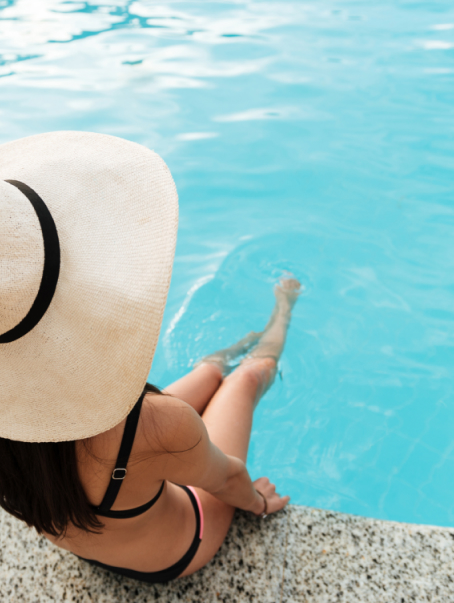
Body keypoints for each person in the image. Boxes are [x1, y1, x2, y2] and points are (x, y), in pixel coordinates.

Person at [0, 131, 301, 585]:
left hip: (103, 530)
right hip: (180, 548)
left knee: (206, 374)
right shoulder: (161, 426)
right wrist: (258, 503)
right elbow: (229, 480)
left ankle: (228, 356)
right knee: (245, 378)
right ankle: (283, 311)